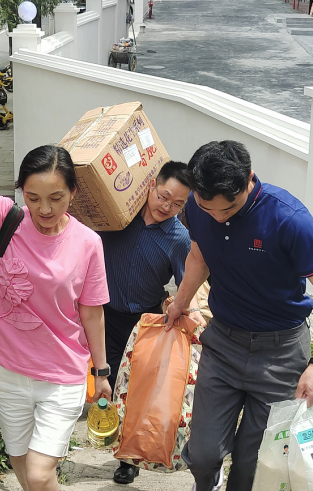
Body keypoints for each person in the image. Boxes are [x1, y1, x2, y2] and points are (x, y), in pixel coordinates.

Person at [165, 140, 313, 491]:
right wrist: (180, 303)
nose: (218, 217)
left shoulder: (288, 219)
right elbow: (199, 257)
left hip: (280, 354)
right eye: (209, 209)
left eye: (229, 208)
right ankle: (209, 479)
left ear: (249, 179)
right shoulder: (197, 205)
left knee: (254, 462)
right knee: (203, 454)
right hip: (223, 343)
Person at [0, 91, 113, 489]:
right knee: (26, 474)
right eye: (34, 198)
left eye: (56, 198)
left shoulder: (88, 243)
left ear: (73, 193)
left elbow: (92, 312)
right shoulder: (1, 219)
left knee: (43, 474)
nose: (45, 209)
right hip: (7, 371)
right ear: (21, 193)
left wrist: (102, 370)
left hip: (62, 375)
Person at [98, 161, 205, 485]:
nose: (167, 207)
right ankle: (109, 436)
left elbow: (188, 284)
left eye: (178, 204)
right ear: (151, 186)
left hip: (142, 324)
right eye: (163, 196)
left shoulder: (179, 238)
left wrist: (193, 313)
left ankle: (128, 459)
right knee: (108, 382)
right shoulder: (118, 218)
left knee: (134, 392)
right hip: (102, 315)